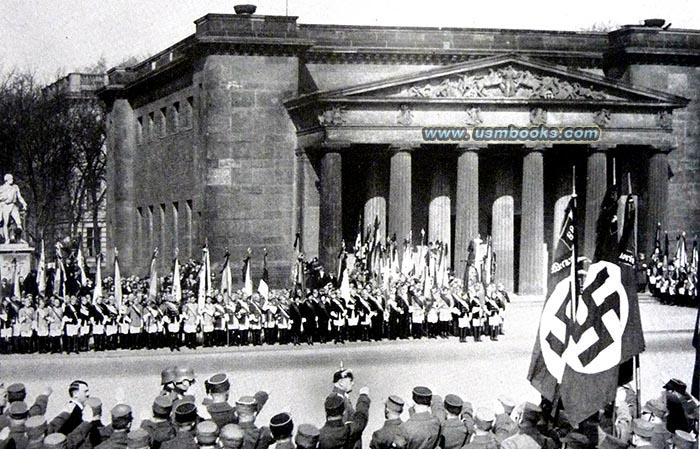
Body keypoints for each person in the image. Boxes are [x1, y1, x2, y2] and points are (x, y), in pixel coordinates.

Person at [0, 174, 27, 244]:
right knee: (5, 223)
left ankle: (18, 238)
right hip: (5, 206)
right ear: (7, 180)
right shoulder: (1, 188)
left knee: (19, 222)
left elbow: (19, 197)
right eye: (11, 179)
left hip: (13, 206)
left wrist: (24, 203)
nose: (12, 180)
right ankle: (7, 239)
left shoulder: (15, 187)